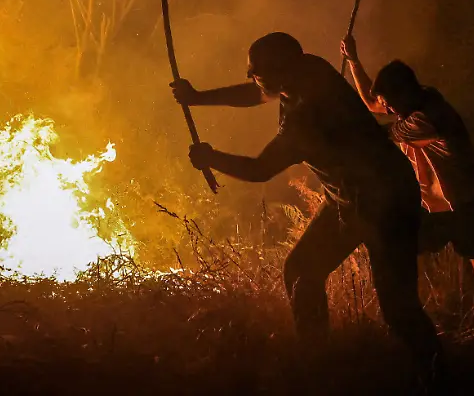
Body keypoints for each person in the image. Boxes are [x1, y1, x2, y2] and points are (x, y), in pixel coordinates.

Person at [172, 32, 442, 376]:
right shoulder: (311, 68)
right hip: (353, 199)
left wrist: (211, 158)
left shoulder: (305, 116)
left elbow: (259, 169)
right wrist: (196, 98)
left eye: (257, 71)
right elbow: (257, 93)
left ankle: (439, 377)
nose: (251, 76)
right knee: (302, 271)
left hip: (385, 203)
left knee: (399, 309)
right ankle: (320, 365)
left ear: (280, 71)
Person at [341, 33, 474, 342]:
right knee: (397, 246)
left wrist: (338, 127)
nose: (388, 110)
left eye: (392, 104)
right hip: (439, 211)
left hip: (468, 207)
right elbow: (373, 103)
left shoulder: (429, 117)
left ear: (405, 93)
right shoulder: (419, 98)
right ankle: (408, 325)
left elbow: (380, 133)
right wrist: (353, 60)